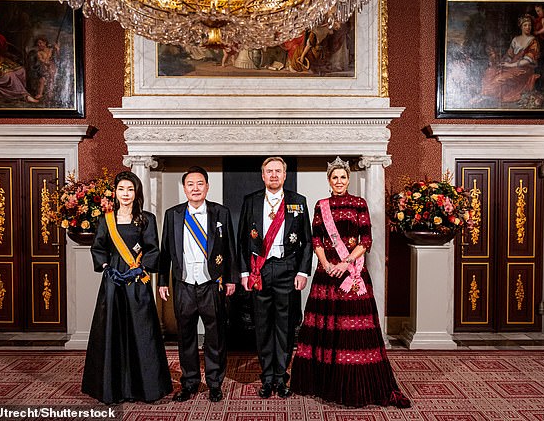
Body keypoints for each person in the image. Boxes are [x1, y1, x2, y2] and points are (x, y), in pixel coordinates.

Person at [290, 157, 410, 408]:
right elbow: (317, 241)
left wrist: (345, 264)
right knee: (329, 328)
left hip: (352, 273)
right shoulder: (321, 205)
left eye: (343, 177)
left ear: (348, 179)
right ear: (329, 181)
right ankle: (323, 384)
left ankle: (356, 386)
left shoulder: (359, 204)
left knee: (350, 329)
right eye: (334, 178)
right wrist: (325, 264)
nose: (339, 181)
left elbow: (366, 240)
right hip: (327, 275)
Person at [83, 171, 172, 404]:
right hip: (113, 282)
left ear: (136, 193)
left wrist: (139, 268)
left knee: (141, 333)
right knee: (113, 332)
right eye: (121, 189)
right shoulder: (106, 219)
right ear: (115, 192)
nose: (125, 194)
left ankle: (146, 388)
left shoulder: (147, 219)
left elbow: (153, 249)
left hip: (136, 281)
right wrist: (106, 266)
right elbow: (98, 248)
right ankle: (113, 389)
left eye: (130, 189)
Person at [158, 166, 238, 403]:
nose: (195, 188)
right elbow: (165, 251)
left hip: (211, 284)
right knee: (186, 337)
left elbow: (230, 248)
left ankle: (214, 383)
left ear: (207, 186)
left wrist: (231, 278)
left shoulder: (220, 213)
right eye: (190, 184)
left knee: (215, 337)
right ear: (184, 188)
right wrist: (163, 281)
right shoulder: (173, 214)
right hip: (183, 284)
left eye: (200, 183)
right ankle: (190, 382)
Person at [237, 156, 312, 399]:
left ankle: (281, 377)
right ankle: (267, 377)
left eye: (278, 171)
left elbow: (307, 241)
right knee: (263, 326)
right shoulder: (251, 201)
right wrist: (245, 272)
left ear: (284, 174)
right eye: (269, 171)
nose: (273, 175)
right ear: (262, 175)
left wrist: (302, 271)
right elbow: (242, 241)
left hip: (287, 270)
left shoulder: (297, 202)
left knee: (285, 326)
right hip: (260, 270)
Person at [480, 15, 540, 104]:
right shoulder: (515, 39)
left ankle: (487, 95)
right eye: (525, 25)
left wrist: (511, 65)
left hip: (524, 69)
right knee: (491, 71)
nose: (528, 27)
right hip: (512, 66)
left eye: (529, 25)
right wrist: (502, 61)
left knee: (499, 78)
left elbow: (528, 60)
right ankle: (486, 95)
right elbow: (509, 55)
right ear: (521, 26)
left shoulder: (533, 41)